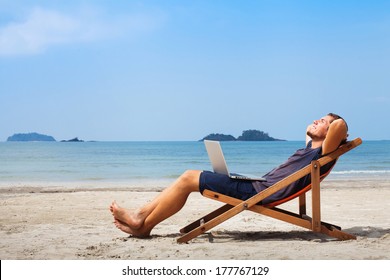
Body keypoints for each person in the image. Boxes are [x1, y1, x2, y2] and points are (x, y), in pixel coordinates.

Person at [110, 113, 348, 238]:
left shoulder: (323, 151)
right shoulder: (310, 147)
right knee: (190, 176)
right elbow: (310, 129)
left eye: (324, 121)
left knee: (188, 178)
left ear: (332, 133)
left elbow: (338, 127)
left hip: (258, 192)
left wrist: (334, 123)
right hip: (258, 185)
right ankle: (141, 219)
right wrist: (320, 123)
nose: (317, 121)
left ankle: (142, 221)